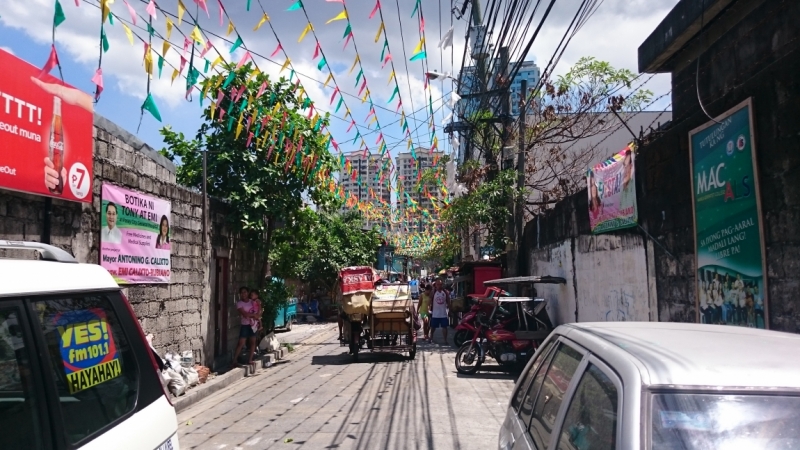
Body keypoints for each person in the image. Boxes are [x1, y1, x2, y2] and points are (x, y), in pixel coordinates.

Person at [233, 287, 259, 367]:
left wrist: (257, 313)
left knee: (253, 342)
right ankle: (234, 360)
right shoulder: (239, 303)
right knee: (241, 343)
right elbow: (245, 314)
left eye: (245, 292)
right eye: (241, 293)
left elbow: (258, 311)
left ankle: (250, 360)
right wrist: (254, 315)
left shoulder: (253, 301)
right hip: (245, 325)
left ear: (248, 293)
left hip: (253, 325)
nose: (243, 294)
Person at [429, 279, 450, 344]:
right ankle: (431, 338)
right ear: (435, 285)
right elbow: (430, 301)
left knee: (445, 327)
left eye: (440, 284)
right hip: (435, 314)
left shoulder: (445, 292)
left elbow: (448, 301)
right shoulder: (433, 292)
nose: (439, 286)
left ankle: (445, 340)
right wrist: (429, 309)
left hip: (443, 314)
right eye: (438, 284)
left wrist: (450, 310)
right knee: (433, 327)